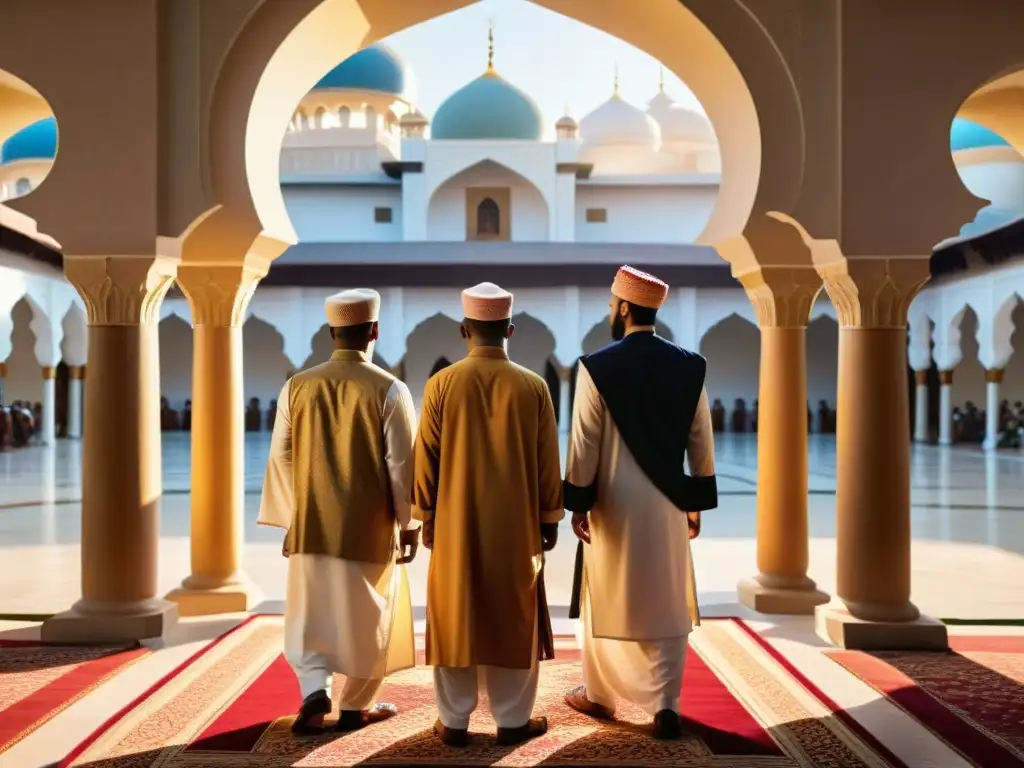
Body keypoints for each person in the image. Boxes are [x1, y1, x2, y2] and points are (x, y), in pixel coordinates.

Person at [562, 265, 718, 740]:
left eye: (613, 304)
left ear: (626, 307)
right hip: (669, 502)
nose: (611, 310)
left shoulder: (596, 366)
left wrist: (579, 502)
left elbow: (584, 443)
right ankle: (665, 704)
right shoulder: (691, 365)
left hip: (614, 503)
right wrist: (693, 500)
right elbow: (701, 439)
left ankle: (600, 694)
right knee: (667, 597)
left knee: (608, 592)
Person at [258, 288, 419, 735]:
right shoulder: (390, 389)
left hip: (312, 526)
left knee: (310, 612)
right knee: (370, 616)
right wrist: (409, 524)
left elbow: (281, 458)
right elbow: (401, 465)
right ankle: (355, 705)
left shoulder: (297, 385)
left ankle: (314, 688)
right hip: (368, 527)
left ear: (331, 333)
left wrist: (296, 516)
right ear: (374, 331)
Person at [412, 282, 563, 748]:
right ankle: (513, 719)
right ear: (510, 330)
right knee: (512, 614)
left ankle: (453, 722)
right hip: (517, 528)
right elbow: (546, 462)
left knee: (456, 613)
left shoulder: (441, 384)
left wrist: (426, 516)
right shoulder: (533, 387)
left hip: (455, 525)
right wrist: (549, 518)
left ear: (464, 329)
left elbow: (426, 460)